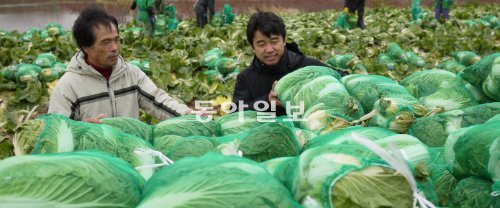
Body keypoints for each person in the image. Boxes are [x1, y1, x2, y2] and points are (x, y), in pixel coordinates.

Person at [48, 7, 196, 123]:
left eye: (116, 40)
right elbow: (57, 129)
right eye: (106, 42)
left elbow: (157, 101)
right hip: (95, 159)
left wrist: (188, 115)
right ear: (85, 47)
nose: (114, 48)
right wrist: (80, 129)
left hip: (132, 152)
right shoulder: (68, 87)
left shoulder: (131, 74)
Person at [232, 11, 347, 117]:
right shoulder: (246, 78)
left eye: (274, 41)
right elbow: (235, 113)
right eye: (261, 44)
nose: (269, 49)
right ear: (253, 47)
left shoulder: (307, 66)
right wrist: (267, 101)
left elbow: (342, 78)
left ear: (284, 40)